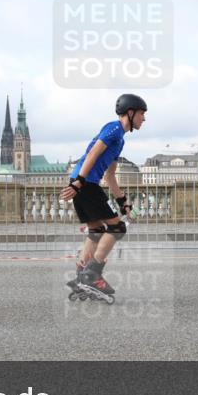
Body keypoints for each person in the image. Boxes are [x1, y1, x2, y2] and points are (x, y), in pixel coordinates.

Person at [59, 93, 147, 301]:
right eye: (142, 114)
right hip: (86, 184)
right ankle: (92, 274)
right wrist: (79, 182)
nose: (144, 119)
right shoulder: (113, 129)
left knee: (96, 231)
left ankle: (81, 275)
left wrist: (123, 203)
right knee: (117, 228)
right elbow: (92, 154)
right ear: (130, 112)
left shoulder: (120, 140)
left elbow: (109, 176)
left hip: (86, 183)